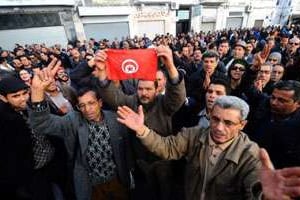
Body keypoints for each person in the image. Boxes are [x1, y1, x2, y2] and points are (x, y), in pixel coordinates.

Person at [116, 95, 262, 200]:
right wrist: (142, 129)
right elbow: (167, 148)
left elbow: (255, 190)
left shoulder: (250, 154)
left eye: (228, 123)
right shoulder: (194, 134)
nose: (219, 128)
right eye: (215, 119)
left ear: (242, 125)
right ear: (209, 115)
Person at [28, 60, 134, 200]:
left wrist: (130, 172)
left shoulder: (116, 119)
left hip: (117, 181)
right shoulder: (73, 120)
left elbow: (126, 149)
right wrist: (37, 93)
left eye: (91, 103)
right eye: (82, 105)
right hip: (91, 186)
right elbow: (42, 124)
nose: (87, 109)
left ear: (100, 103)